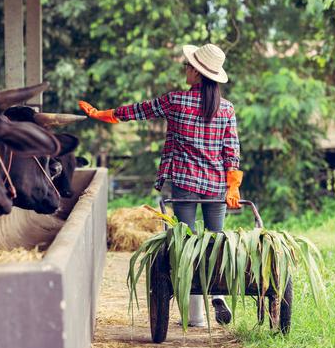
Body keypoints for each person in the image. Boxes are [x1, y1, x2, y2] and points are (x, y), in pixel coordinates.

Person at [79, 43, 243, 327]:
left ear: (197, 73)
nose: (185, 69)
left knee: (188, 242)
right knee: (216, 239)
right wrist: (233, 185)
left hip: (184, 182)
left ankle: (196, 317)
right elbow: (232, 150)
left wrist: (106, 114)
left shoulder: (177, 101)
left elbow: (141, 110)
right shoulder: (227, 109)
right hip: (216, 186)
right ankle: (217, 292)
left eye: (187, 66)